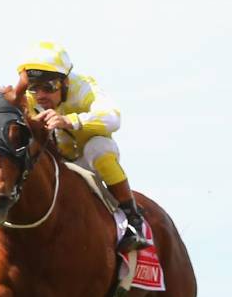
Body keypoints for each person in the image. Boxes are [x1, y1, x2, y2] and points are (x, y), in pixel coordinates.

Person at [19, 41, 149, 252]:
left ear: (66, 82)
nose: (41, 95)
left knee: (98, 148)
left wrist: (69, 121)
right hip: (59, 162)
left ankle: (133, 218)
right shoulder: (29, 99)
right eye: (34, 88)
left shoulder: (84, 88)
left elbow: (114, 118)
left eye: (49, 87)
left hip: (89, 158)